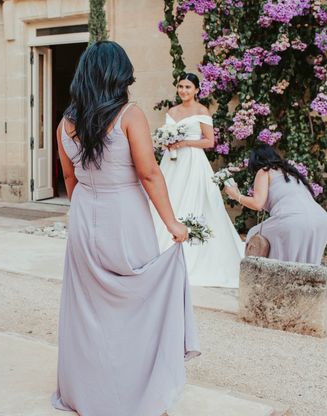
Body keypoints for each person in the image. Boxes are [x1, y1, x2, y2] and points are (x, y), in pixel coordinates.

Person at [52, 41, 200, 416]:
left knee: (90, 308)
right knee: (136, 301)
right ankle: (137, 394)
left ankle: (89, 392)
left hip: (85, 213)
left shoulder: (64, 123)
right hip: (125, 213)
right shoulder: (129, 115)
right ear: (119, 75)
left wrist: (86, 212)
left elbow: (70, 178)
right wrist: (173, 224)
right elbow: (149, 174)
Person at [151, 73, 244, 288]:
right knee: (168, 198)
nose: (184, 90)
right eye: (181, 86)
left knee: (195, 201)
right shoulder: (172, 111)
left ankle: (191, 248)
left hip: (193, 162)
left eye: (188, 87)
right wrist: (167, 142)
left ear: (197, 90)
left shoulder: (202, 111)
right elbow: (166, 135)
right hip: (171, 162)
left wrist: (184, 143)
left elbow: (209, 142)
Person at [224, 145, 327, 265]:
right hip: (322, 221)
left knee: (253, 234)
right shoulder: (291, 172)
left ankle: (260, 277)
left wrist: (236, 195)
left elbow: (257, 204)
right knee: (306, 265)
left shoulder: (264, 171)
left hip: (293, 220)